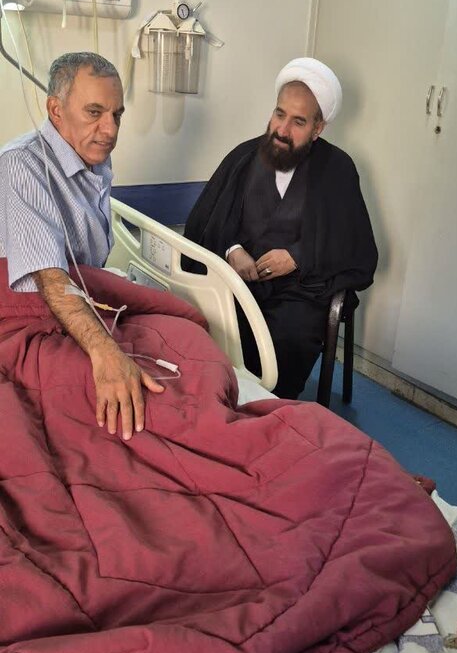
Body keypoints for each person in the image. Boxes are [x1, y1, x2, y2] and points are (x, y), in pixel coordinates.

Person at [184, 57, 378, 398]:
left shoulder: (337, 170)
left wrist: (298, 257)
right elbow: (206, 220)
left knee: (289, 337)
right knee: (206, 321)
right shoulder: (243, 157)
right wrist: (232, 250)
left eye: (298, 122)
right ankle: (219, 401)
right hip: (240, 281)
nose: (282, 130)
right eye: (279, 114)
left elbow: (355, 246)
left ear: (318, 129)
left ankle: (268, 409)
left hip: (300, 290)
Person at [0, 52, 163, 439]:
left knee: (188, 338)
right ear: (56, 110)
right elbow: (52, 281)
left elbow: (88, 270)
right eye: (94, 112)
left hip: (81, 304)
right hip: (28, 319)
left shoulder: (95, 160)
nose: (110, 129)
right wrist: (106, 353)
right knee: (141, 402)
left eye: (117, 114)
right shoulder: (22, 166)